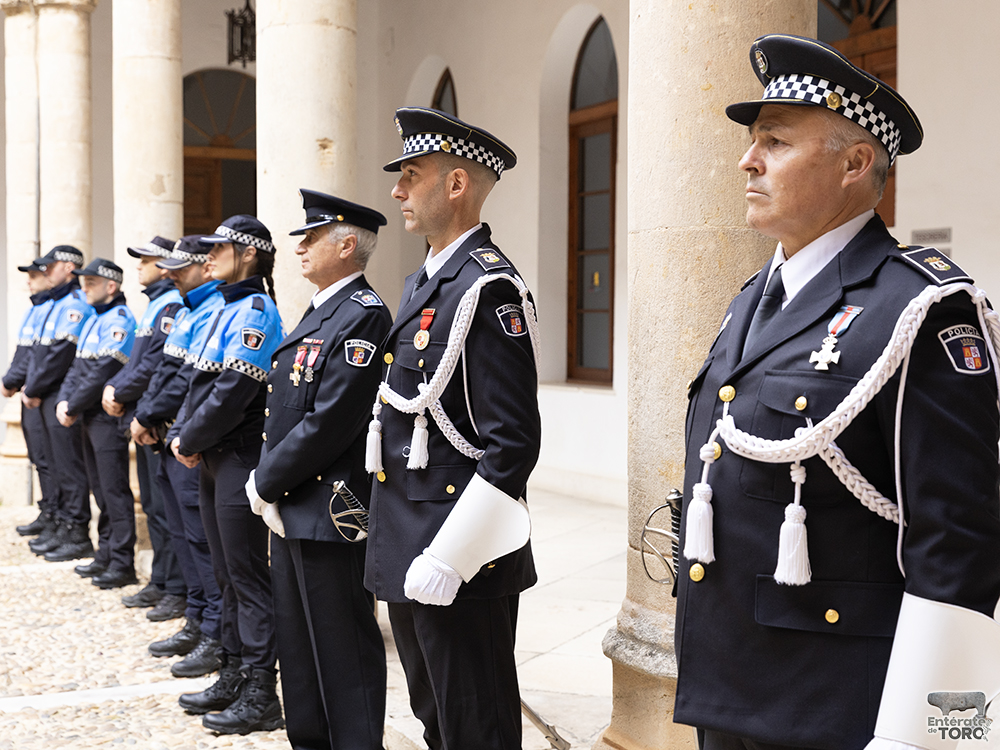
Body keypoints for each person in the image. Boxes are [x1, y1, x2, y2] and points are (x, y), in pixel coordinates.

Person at [674, 35, 1000, 750]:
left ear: (855, 163)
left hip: (833, 704)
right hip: (733, 676)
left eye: (776, 142)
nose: (746, 160)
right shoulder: (753, 298)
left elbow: (958, 545)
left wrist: (923, 733)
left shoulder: (922, 308)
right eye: (753, 141)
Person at [367, 107, 541, 749]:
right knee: (437, 715)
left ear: (456, 185)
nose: (397, 191)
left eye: (411, 175)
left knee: (477, 724)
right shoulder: (428, 280)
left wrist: (453, 553)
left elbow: (513, 442)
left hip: (455, 545)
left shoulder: (487, 287)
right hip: (409, 531)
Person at [245, 189, 391, 750]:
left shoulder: (363, 315)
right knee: (300, 647)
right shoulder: (322, 309)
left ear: (347, 244)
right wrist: (274, 488)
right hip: (293, 506)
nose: (300, 248)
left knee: (342, 649)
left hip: (330, 510)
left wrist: (264, 480)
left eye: (312, 238)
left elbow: (330, 420)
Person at [169, 215, 285, 735]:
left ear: (248, 255)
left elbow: (233, 392)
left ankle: (262, 690)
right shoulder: (226, 307)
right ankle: (235, 670)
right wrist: (189, 437)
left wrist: (188, 439)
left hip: (238, 456)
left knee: (246, 578)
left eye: (220, 248)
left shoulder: (256, 309)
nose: (209, 256)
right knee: (225, 574)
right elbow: (199, 386)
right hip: (213, 457)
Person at [139, 236, 226, 678]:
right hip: (172, 434)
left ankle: (213, 630)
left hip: (190, 440)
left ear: (203, 268)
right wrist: (145, 413)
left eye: (180, 267)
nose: (170, 273)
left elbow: (187, 383)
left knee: (201, 539)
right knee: (182, 531)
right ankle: (197, 618)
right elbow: (162, 372)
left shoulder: (213, 309)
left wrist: (151, 414)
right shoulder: (188, 308)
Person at [101, 236, 186, 617]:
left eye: (146, 260)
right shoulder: (154, 304)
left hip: (155, 418)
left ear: (166, 265)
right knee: (153, 506)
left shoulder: (169, 304)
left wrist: (129, 399)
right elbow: (140, 363)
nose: (139, 266)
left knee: (167, 511)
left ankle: (174, 587)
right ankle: (162, 580)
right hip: (144, 413)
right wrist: (119, 388)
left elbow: (155, 368)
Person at [54, 259, 137, 585]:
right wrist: (65, 400)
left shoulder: (120, 319)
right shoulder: (94, 319)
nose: (84, 288)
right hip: (88, 414)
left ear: (111, 286)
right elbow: (76, 369)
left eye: (90, 283)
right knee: (100, 489)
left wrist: (72, 404)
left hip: (105, 417)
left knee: (114, 490)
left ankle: (122, 563)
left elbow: (102, 371)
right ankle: (105, 553)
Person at [22, 246, 95, 561]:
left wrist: (33, 387)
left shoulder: (74, 305)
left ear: (68, 267)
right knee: (51, 461)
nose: (44, 273)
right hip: (47, 393)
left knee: (68, 465)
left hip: (61, 393)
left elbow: (59, 355)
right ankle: (59, 521)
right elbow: (34, 353)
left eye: (50, 267)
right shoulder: (54, 305)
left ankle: (76, 530)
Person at [2, 261, 54, 537]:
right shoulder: (35, 309)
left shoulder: (52, 309)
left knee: (50, 460)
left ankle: (58, 517)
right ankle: (48, 511)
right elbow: (22, 353)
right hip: (29, 393)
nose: (29, 281)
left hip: (42, 395)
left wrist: (11, 382)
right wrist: (11, 380)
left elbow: (39, 358)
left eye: (35, 276)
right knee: (39, 457)